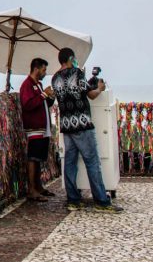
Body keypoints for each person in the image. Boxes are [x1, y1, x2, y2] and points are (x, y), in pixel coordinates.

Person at [51, 47, 123, 212]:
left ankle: (73, 200)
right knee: (92, 161)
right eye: (74, 58)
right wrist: (100, 88)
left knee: (69, 162)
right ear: (70, 58)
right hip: (82, 124)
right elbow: (90, 95)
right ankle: (101, 201)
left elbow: (70, 93)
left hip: (66, 125)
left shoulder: (54, 78)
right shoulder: (77, 73)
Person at [20, 57, 55, 201]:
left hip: (42, 128)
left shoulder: (38, 84)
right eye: (44, 69)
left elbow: (43, 102)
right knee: (33, 158)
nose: (45, 73)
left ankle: (39, 186)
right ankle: (32, 190)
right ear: (36, 69)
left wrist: (50, 97)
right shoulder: (27, 85)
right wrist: (44, 94)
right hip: (34, 128)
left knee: (39, 158)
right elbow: (27, 104)